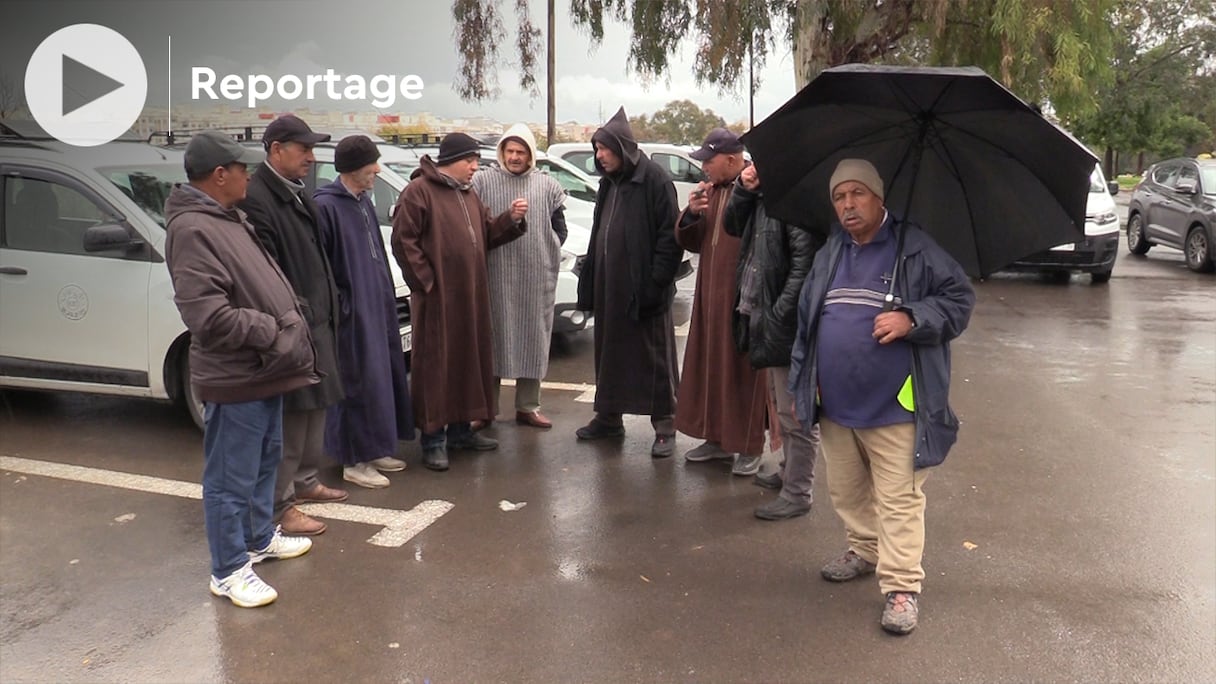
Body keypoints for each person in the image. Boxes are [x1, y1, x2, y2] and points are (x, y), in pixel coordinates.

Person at [789, 158, 975, 635]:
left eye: (857, 194)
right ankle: (865, 549)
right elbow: (808, 322)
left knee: (899, 499)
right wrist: (802, 384)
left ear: (878, 197)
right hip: (835, 403)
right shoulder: (832, 250)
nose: (848, 205)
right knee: (847, 491)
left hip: (897, 405)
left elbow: (958, 301)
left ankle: (901, 586)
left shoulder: (915, 248)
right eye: (839, 197)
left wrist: (913, 317)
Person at [164, 131, 317, 608]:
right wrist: (274, 330)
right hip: (237, 375)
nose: (249, 175)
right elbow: (207, 316)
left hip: (264, 369)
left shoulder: (227, 217)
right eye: (242, 168)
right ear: (219, 175)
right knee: (230, 478)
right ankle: (228, 570)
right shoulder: (193, 229)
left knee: (263, 462)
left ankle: (257, 538)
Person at [391, 132, 528, 471]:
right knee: (438, 366)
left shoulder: (468, 195)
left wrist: (510, 220)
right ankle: (434, 439)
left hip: (470, 296)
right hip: (438, 299)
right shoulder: (419, 192)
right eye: (470, 161)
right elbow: (404, 243)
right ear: (451, 160)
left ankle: (461, 431)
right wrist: (427, 284)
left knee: (467, 361)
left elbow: (486, 235)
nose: (474, 168)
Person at [240, 114, 349, 536]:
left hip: (316, 323)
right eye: (303, 149)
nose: (311, 157)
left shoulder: (299, 192)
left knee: (315, 410)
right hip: (292, 327)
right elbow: (266, 272)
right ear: (276, 150)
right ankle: (278, 506)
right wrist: (296, 316)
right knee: (289, 423)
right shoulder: (259, 198)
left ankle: (305, 482)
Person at [574, 107, 683, 457]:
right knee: (609, 353)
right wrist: (590, 280)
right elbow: (597, 234)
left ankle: (665, 426)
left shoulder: (654, 179)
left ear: (622, 148)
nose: (599, 156)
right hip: (611, 289)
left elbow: (670, 238)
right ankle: (608, 418)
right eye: (596, 150)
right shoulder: (608, 184)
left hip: (644, 290)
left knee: (654, 359)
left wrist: (656, 285)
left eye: (604, 149)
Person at [313, 135, 415, 488]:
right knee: (356, 383)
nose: (377, 169)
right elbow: (321, 268)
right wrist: (342, 306)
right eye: (372, 163)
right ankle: (353, 460)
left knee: (380, 379)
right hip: (351, 314)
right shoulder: (326, 206)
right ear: (355, 168)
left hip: (377, 306)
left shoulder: (363, 202)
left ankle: (373, 447)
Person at [722, 161, 823, 519]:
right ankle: (788, 471)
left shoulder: (795, 203)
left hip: (783, 322)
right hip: (761, 316)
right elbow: (732, 225)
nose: (754, 166)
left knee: (795, 413)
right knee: (780, 405)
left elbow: (804, 265)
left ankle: (799, 491)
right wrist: (744, 189)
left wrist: (779, 313)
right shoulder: (764, 198)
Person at [674, 128, 767, 476]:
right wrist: (692, 214)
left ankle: (747, 443)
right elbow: (694, 242)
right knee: (710, 366)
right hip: (709, 296)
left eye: (708, 162)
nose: (704, 169)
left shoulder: (756, 189)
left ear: (731, 160)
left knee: (743, 372)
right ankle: (716, 438)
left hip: (744, 297)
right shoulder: (710, 193)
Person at [471, 123, 567, 429]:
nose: (514, 157)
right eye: (509, 151)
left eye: (520, 151)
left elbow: (559, 229)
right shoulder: (483, 182)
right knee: (494, 339)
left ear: (530, 155)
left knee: (533, 340)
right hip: (495, 276)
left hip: (535, 278)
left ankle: (528, 406)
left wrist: (543, 252)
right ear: (501, 152)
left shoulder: (547, 186)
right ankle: (486, 409)